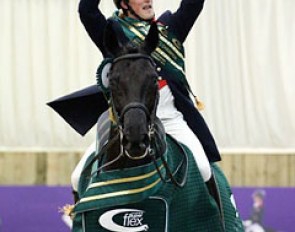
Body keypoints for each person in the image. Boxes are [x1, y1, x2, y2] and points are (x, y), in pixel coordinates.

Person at [49, 0, 223, 217]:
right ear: (124, 3)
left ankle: (219, 220)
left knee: (204, 168)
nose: (148, 0)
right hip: (127, 123)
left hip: (171, 120)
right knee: (77, 177)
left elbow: (193, 5)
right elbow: (87, 10)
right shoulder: (113, 33)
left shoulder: (170, 28)